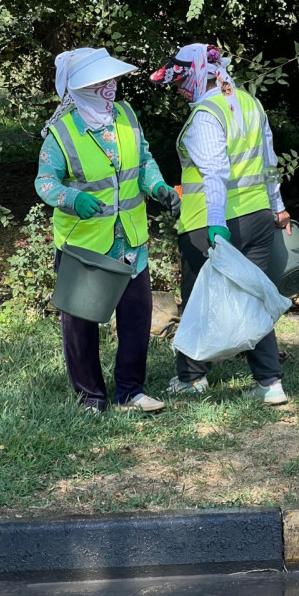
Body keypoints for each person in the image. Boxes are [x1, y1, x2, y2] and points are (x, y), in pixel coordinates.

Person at [36, 47, 181, 413]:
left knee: (136, 317)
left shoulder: (126, 116)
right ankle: (90, 397)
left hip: (130, 240)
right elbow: (44, 182)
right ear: (80, 89)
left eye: (112, 80)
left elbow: (144, 159)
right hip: (85, 246)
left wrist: (159, 187)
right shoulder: (61, 133)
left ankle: (130, 391)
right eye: (100, 83)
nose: (110, 88)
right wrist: (71, 199)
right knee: (81, 322)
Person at [150, 43, 292, 405]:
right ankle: (270, 383)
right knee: (252, 297)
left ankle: (192, 378)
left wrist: (216, 225)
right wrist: (278, 206)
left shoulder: (205, 115)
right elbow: (270, 159)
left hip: (209, 224)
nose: (179, 89)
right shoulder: (249, 103)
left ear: (199, 74)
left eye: (181, 80)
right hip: (259, 217)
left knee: (197, 298)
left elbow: (215, 173)